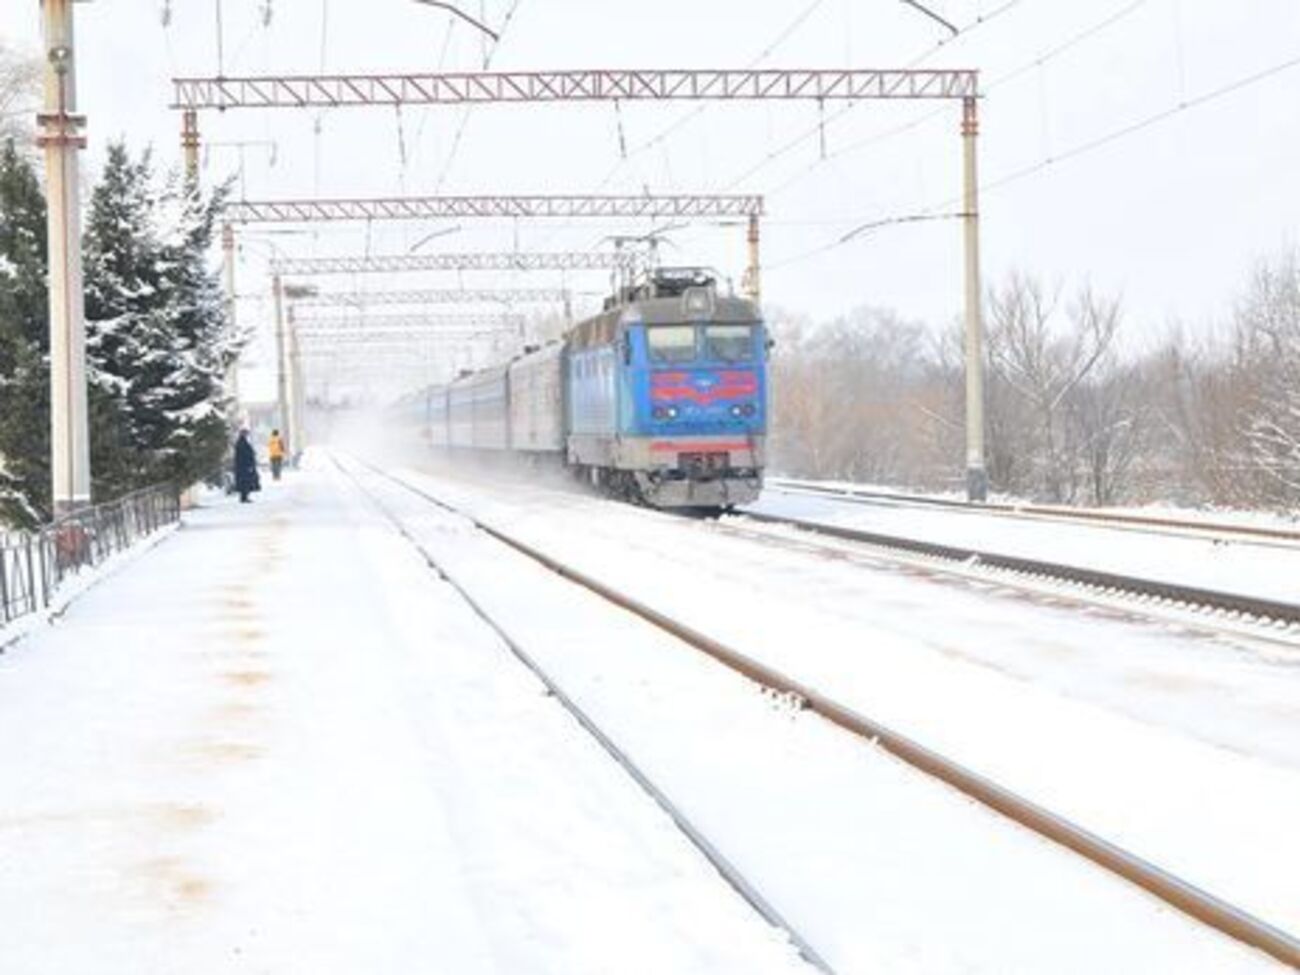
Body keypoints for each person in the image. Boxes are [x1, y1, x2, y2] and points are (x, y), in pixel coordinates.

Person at [233, 428, 260, 503]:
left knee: (246, 482)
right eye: (245, 434)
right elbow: (245, 455)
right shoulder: (242, 443)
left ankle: (245, 496)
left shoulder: (242, 442)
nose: (247, 435)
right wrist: (249, 464)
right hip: (244, 467)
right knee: (245, 482)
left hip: (243, 466)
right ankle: (244, 497)